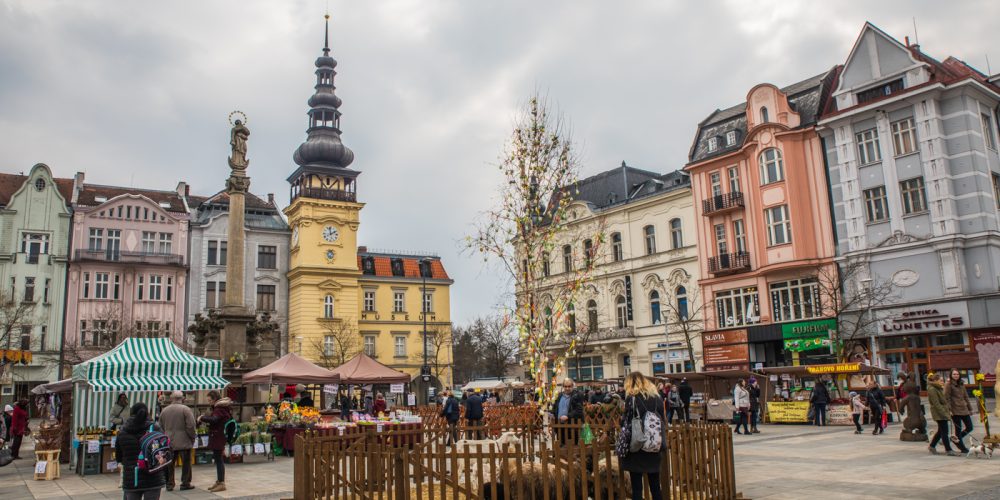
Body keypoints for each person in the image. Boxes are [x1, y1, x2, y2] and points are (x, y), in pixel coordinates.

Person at [620, 372, 664, 500]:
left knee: (637, 487)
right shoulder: (657, 397)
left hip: (638, 444)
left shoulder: (632, 398)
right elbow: (663, 419)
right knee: (655, 485)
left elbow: (626, 421)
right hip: (654, 444)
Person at [115, 402, 165, 499]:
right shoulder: (155, 428)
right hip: (153, 475)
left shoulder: (123, 430)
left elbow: (119, 456)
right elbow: (164, 448)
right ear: (147, 412)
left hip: (132, 476)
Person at [159, 391, 196, 491]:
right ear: (182, 398)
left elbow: (161, 426)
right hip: (184, 440)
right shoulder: (186, 410)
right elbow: (191, 426)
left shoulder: (164, 410)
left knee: (169, 464)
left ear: (171, 398)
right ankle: (185, 483)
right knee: (186, 463)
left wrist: (165, 437)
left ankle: (169, 484)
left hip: (169, 441)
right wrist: (192, 437)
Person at [197, 391, 232, 492]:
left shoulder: (219, 408)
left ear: (215, 399)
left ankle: (221, 483)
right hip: (219, 436)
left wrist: (202, 418)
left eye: (210, 400)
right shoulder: (221, 407)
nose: (209, 402)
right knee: (218, 459)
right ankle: (219, 481)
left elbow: (215, 419)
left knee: (219, 460)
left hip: (218, 436)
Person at [927, 373, 959, 456]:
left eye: (942, 380)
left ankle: (932, 446)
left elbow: (944, 401)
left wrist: (948, 411)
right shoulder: (932, 389)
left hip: (942, 412)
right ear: (935, 380)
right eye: (940, 380)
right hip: (939, 413)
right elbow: (936, 404)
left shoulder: (938, 388)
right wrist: (945, 414)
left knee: (941, 431)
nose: (942, 382)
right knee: (945, 432)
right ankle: (948, 450)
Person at [945, 368, 974, 450]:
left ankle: (956, 439)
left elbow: (966, 396)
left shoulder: (961, 383)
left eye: (957, 374)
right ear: (951, 375)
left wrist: (970, 408)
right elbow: (946, 398)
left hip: (964, 408)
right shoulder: (948, 384)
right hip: (955, 409)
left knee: (970, 427)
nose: (956, 376)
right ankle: (961, 447)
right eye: (954, 374)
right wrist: (949, 409)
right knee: (958, 428)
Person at [550, 379, 585, 445]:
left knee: (572, 447)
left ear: (572, 386)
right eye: (565, 386)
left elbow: (579, 411)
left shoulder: (576, 396)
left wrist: (568, 416)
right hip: (560, 426)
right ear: (563, 387)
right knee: (561, 447)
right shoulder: (559, 396)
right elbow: (555, 407)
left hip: (572, 427)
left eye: (569, 386)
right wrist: (552, 413)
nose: (567, 388)